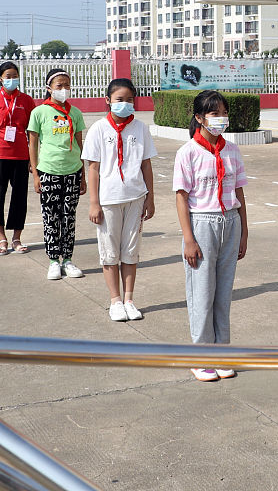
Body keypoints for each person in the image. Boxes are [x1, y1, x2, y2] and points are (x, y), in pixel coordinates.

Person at [173, 90, 248, 382]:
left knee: (223, 293)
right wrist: (189, 239)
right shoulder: (188, 152)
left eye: (224, 113)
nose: (221, 119)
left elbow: (239, 191)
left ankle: (222, 353)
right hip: (202, 223)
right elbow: (181, 197)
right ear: (200, 118)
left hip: (230, 221)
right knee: (202, 292)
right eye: (214, 114)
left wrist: (244, 231)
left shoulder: (232, 151)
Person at [83, 79, 157, 322]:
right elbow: (93, 168)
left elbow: (146, 164)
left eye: (129, 100)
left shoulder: (140, 128)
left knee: (131, 251)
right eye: (119, 99)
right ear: (108, 100)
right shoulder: (98, 129)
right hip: (109, 200)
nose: (124, 104)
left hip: (135, 197)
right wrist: (94, 202)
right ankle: (115, 300)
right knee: (109, 252)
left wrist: (150, 197)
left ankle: (129, 299)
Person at [27, 68, 87, 281]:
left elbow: (80, 144)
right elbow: (32, 145)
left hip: (72, 171)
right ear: (49, 88)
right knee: (51, 217)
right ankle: (53, 261)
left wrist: (83, 174)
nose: (63, 89)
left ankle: (67, 259)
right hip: (49, 171)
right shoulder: (39, 113)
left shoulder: (75, 113)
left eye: (67, 85)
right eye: (59, 85)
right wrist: (36, 175)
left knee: (69, 217)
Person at [0, 61, 35, 254]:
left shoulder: (26, 101)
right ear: (0, 79)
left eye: (15, 76)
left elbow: (32, 132)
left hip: (21, 155)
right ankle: (1, 237)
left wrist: (32, 159)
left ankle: (16, 238)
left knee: (19, 197)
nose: (12, 79)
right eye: (8, 76)